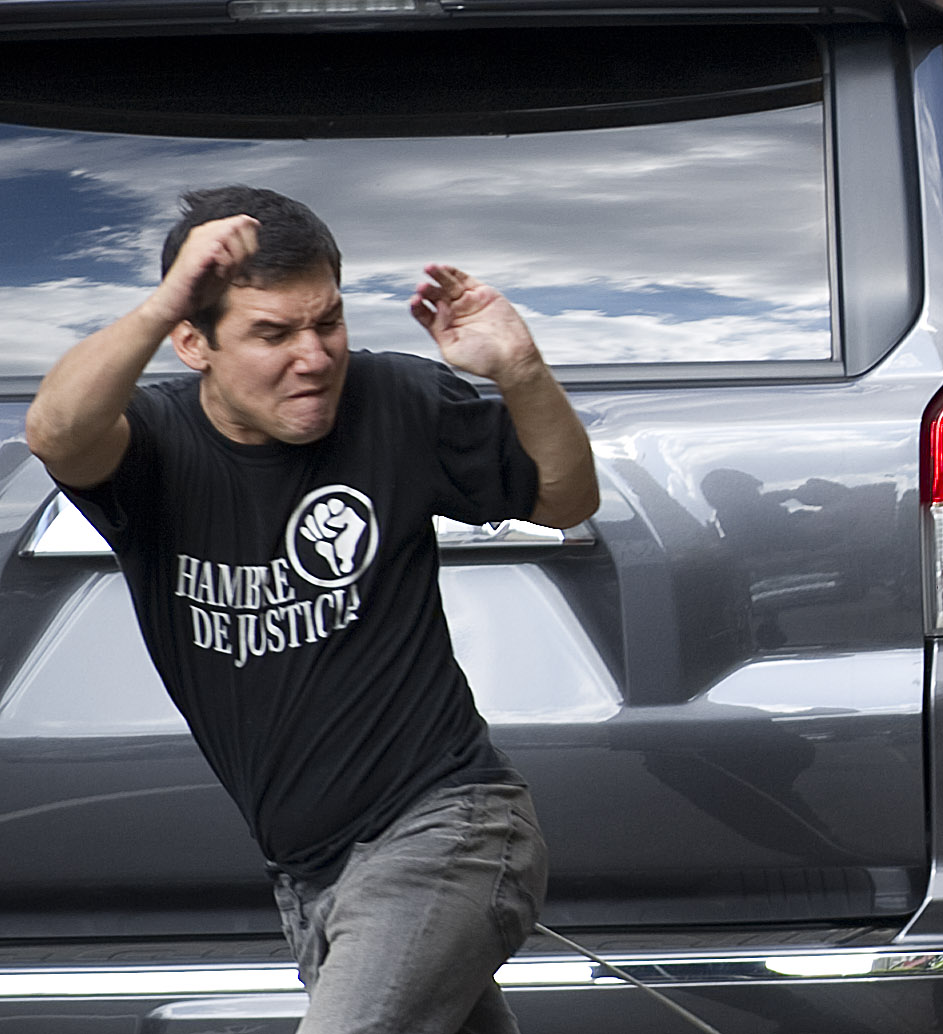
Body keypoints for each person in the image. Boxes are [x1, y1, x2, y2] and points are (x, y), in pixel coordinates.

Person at [24, 186, 601, 1034]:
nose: (315, 355)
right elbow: (56, 431)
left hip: (447, 829)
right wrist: (163, 298)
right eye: (272, 333)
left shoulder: (398, 402)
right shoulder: (152, 447)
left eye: (325, 322)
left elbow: (564, 498)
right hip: (310, 877)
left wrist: (521, 373)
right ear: (194, 341)